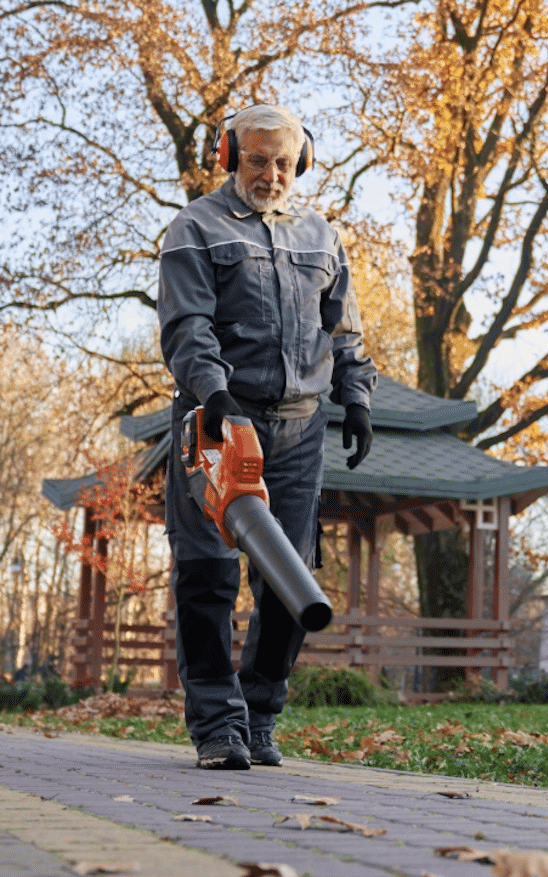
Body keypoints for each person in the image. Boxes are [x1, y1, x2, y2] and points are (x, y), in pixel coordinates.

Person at [157, 104, 377, 770]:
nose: (271, 173)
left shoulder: (322, 237)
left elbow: (345, 331)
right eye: (257, 159)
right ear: (231, 154)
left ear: (301, 161)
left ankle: (258, 715)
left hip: (299, 429)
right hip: (219, 419)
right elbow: (187, 324)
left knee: (289, 579)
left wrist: (358, 398)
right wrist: (213, 391)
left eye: (284, 162)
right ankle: (216, 725)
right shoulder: (196, 228)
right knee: (208, 575)